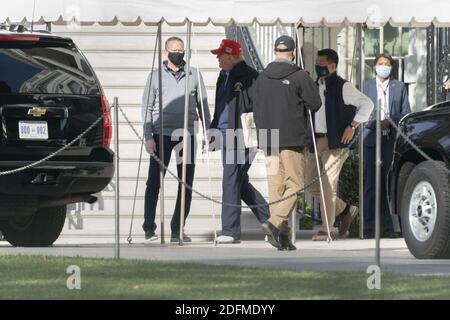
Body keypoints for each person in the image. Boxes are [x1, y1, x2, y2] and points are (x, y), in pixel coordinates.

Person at [252, 35, 321, 250]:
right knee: (296, 185)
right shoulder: (300, 76)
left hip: (269, 140)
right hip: (292, 140)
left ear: (275, 51)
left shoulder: (262, 77)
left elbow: (256, 108)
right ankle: (273, 224)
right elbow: (315, 104)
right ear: (292, 53)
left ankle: (281, 237)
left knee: (276, 189)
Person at [142, 36, 210, 243]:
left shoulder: (194, 75)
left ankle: (177, 228)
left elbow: (203, 104)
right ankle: (149, 228)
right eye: (174, 50)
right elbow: (147, 107)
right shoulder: (155, 76)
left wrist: (207, 131)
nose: (178, 53)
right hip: (161, 134)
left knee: (185, 183)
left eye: (181, 50)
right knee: (154, 182)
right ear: (166, 52)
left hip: (186, 134)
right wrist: (147, 136)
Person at [305, 48, 374, 241]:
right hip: (315, 140)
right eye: (317, 64)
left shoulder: (344, 86)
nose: (318, 67)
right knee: (308, 182)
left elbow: (368, 104)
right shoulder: (312, 85)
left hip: (335, 142)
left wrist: (352, 125)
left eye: (322, 64)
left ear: (333, 66)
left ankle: (326, 229)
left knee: (328, 184)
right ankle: (345, 210)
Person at [209, 39, 270, 244]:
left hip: (242, 136)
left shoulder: (250, 76)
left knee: (231, 178)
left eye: (220, 55)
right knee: (239, 182)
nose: (217, 59)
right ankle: (270, 220)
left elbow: (260, 108)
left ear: (230, 56)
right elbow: (219, 107)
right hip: (225, 134)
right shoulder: (223, 76)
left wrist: (261, 136)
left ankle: (230, 230)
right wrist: (212, 130)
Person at [362, 53, 411, 238]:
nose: (384, 66)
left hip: (390, 138)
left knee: (386, 182)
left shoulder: (399, 87)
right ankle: (367, 227)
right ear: (374, 66)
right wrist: (375, 122)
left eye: (387, 64)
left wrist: (390, 121)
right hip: (370, 137)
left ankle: (389, 227)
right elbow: (360, 110)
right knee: (370, 183)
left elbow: (406, 112)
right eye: (381, 63)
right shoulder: (366, 86)